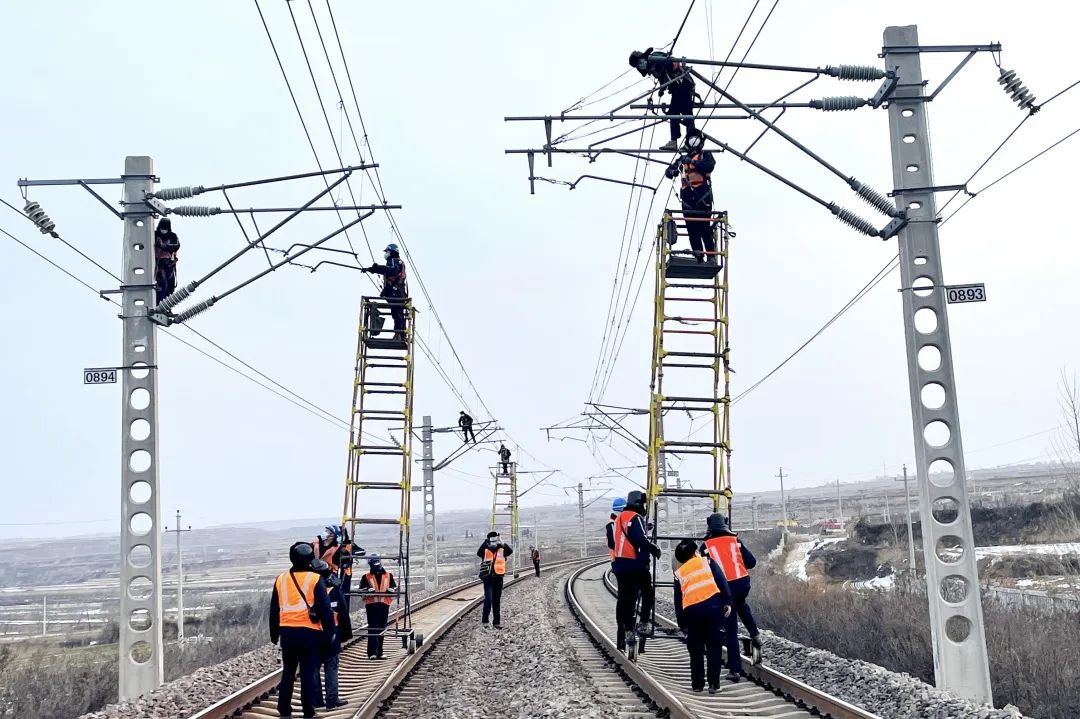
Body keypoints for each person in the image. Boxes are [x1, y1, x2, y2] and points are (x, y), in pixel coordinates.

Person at [269, 542, 335, 719]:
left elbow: (274, 609)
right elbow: (325, 610)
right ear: (310, 559)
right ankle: (308, 710)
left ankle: (284, 709)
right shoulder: (315, 579)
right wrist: (329, 634)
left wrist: (274, 634)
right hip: (309, 634)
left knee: (288, 671)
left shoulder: (281, 579)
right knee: (308, 673)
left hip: (288, 634)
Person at [673, 539, 734, 693]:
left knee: (695, 649)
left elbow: (678, 601)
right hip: (713, 608)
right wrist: (727, 602)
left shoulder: (679, 573)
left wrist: (682, 623)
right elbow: (722, 582)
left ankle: (697, 685)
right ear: (695, 553)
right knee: (714, 646)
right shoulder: (707, 561)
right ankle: (714, 685)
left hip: (692, 612)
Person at [702, 512, 760, 670]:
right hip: (742, 583)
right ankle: (755, 634)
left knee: (730, 628)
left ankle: (735, 669)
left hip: (724, 589)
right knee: (741, 605)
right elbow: (751, 562)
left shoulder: (705, 546)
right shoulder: (736, 541)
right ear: (725, 523)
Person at [611, 490, 662, 653]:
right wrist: (653, 548)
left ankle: (626, 629)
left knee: (625, 599)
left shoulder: (619, 518)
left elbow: (626, 536)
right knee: (648, 592)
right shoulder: (635, 517)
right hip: (636, 565)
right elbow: (639, 539)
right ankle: (644, 622)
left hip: (620, 565)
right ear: (639, 503)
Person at [630, 48, 697, 151]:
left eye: (641, 62)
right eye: (639, 65)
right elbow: (663, 77)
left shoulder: (655, 58)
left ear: (643, 58)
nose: (641, 65)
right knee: (674, 113)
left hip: (683, 85)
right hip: (676, 89)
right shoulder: (652, 67)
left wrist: (670, 67)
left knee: (685, 113)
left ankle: (691, 142)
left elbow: (671, 64)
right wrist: (662, 88)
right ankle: (677, 141)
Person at [665, 132, 718, 264]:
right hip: (688, 200)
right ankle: (698, 256)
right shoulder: (682, 159)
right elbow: (669, 172)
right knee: (692, 230)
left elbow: (709, 166)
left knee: (705, 229)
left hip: (702, 198)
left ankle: (710, 256)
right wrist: (672, 171)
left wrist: (693, 162)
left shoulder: (705, 155)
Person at [312, 559, 352, 709]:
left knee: (314, 667)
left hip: (313, 633)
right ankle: (332, 699)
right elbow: (343, 613)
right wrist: (345, 634)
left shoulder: (310, 588)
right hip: (331, 634)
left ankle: (316, 700)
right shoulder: (333, 590)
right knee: (331, 666)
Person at [362, 243, 408, 341]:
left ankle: (399, 335)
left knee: (397, 313)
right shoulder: (399, 262)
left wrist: (375, 269)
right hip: (400, 292)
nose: (386, 254)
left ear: (391, 252)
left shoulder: (393, 260)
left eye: (387, 251)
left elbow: (392, 271)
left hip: (396, 292)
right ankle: (400, 334)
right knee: (397, 313)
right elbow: (393, 278)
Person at [357, 554, 396, 659]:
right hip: (372, 606)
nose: (377, 567)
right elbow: (361, 590)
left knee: (382, 628)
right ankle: (372, 653)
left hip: (384, 605)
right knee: (373, 628)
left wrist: (392, 590)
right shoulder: (366, 577)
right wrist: (367, 591)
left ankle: (380, 652)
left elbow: (394, 588)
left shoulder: (389, 575)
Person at [477, 530, 512, 628]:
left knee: (496, 601)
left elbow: (510, 551)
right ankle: (485, 622)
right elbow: (479, 553)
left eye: (495, 539)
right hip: (487, 578)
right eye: (492, 539)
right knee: (488, 599)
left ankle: (496, 622)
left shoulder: (501, 548)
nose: (494, 541)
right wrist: (486, 543)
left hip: (498, 577)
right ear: (488, 540)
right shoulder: (485, 549)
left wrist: (502, 542)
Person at [154, 218, 180, 303]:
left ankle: (167, 307)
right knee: (161, 285)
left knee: (170, 287)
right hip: (157, 264)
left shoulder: (172, 236)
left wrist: (162, 245)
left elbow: (176, 246)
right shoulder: (153, 234)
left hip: (169, 264)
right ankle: (158, 305)